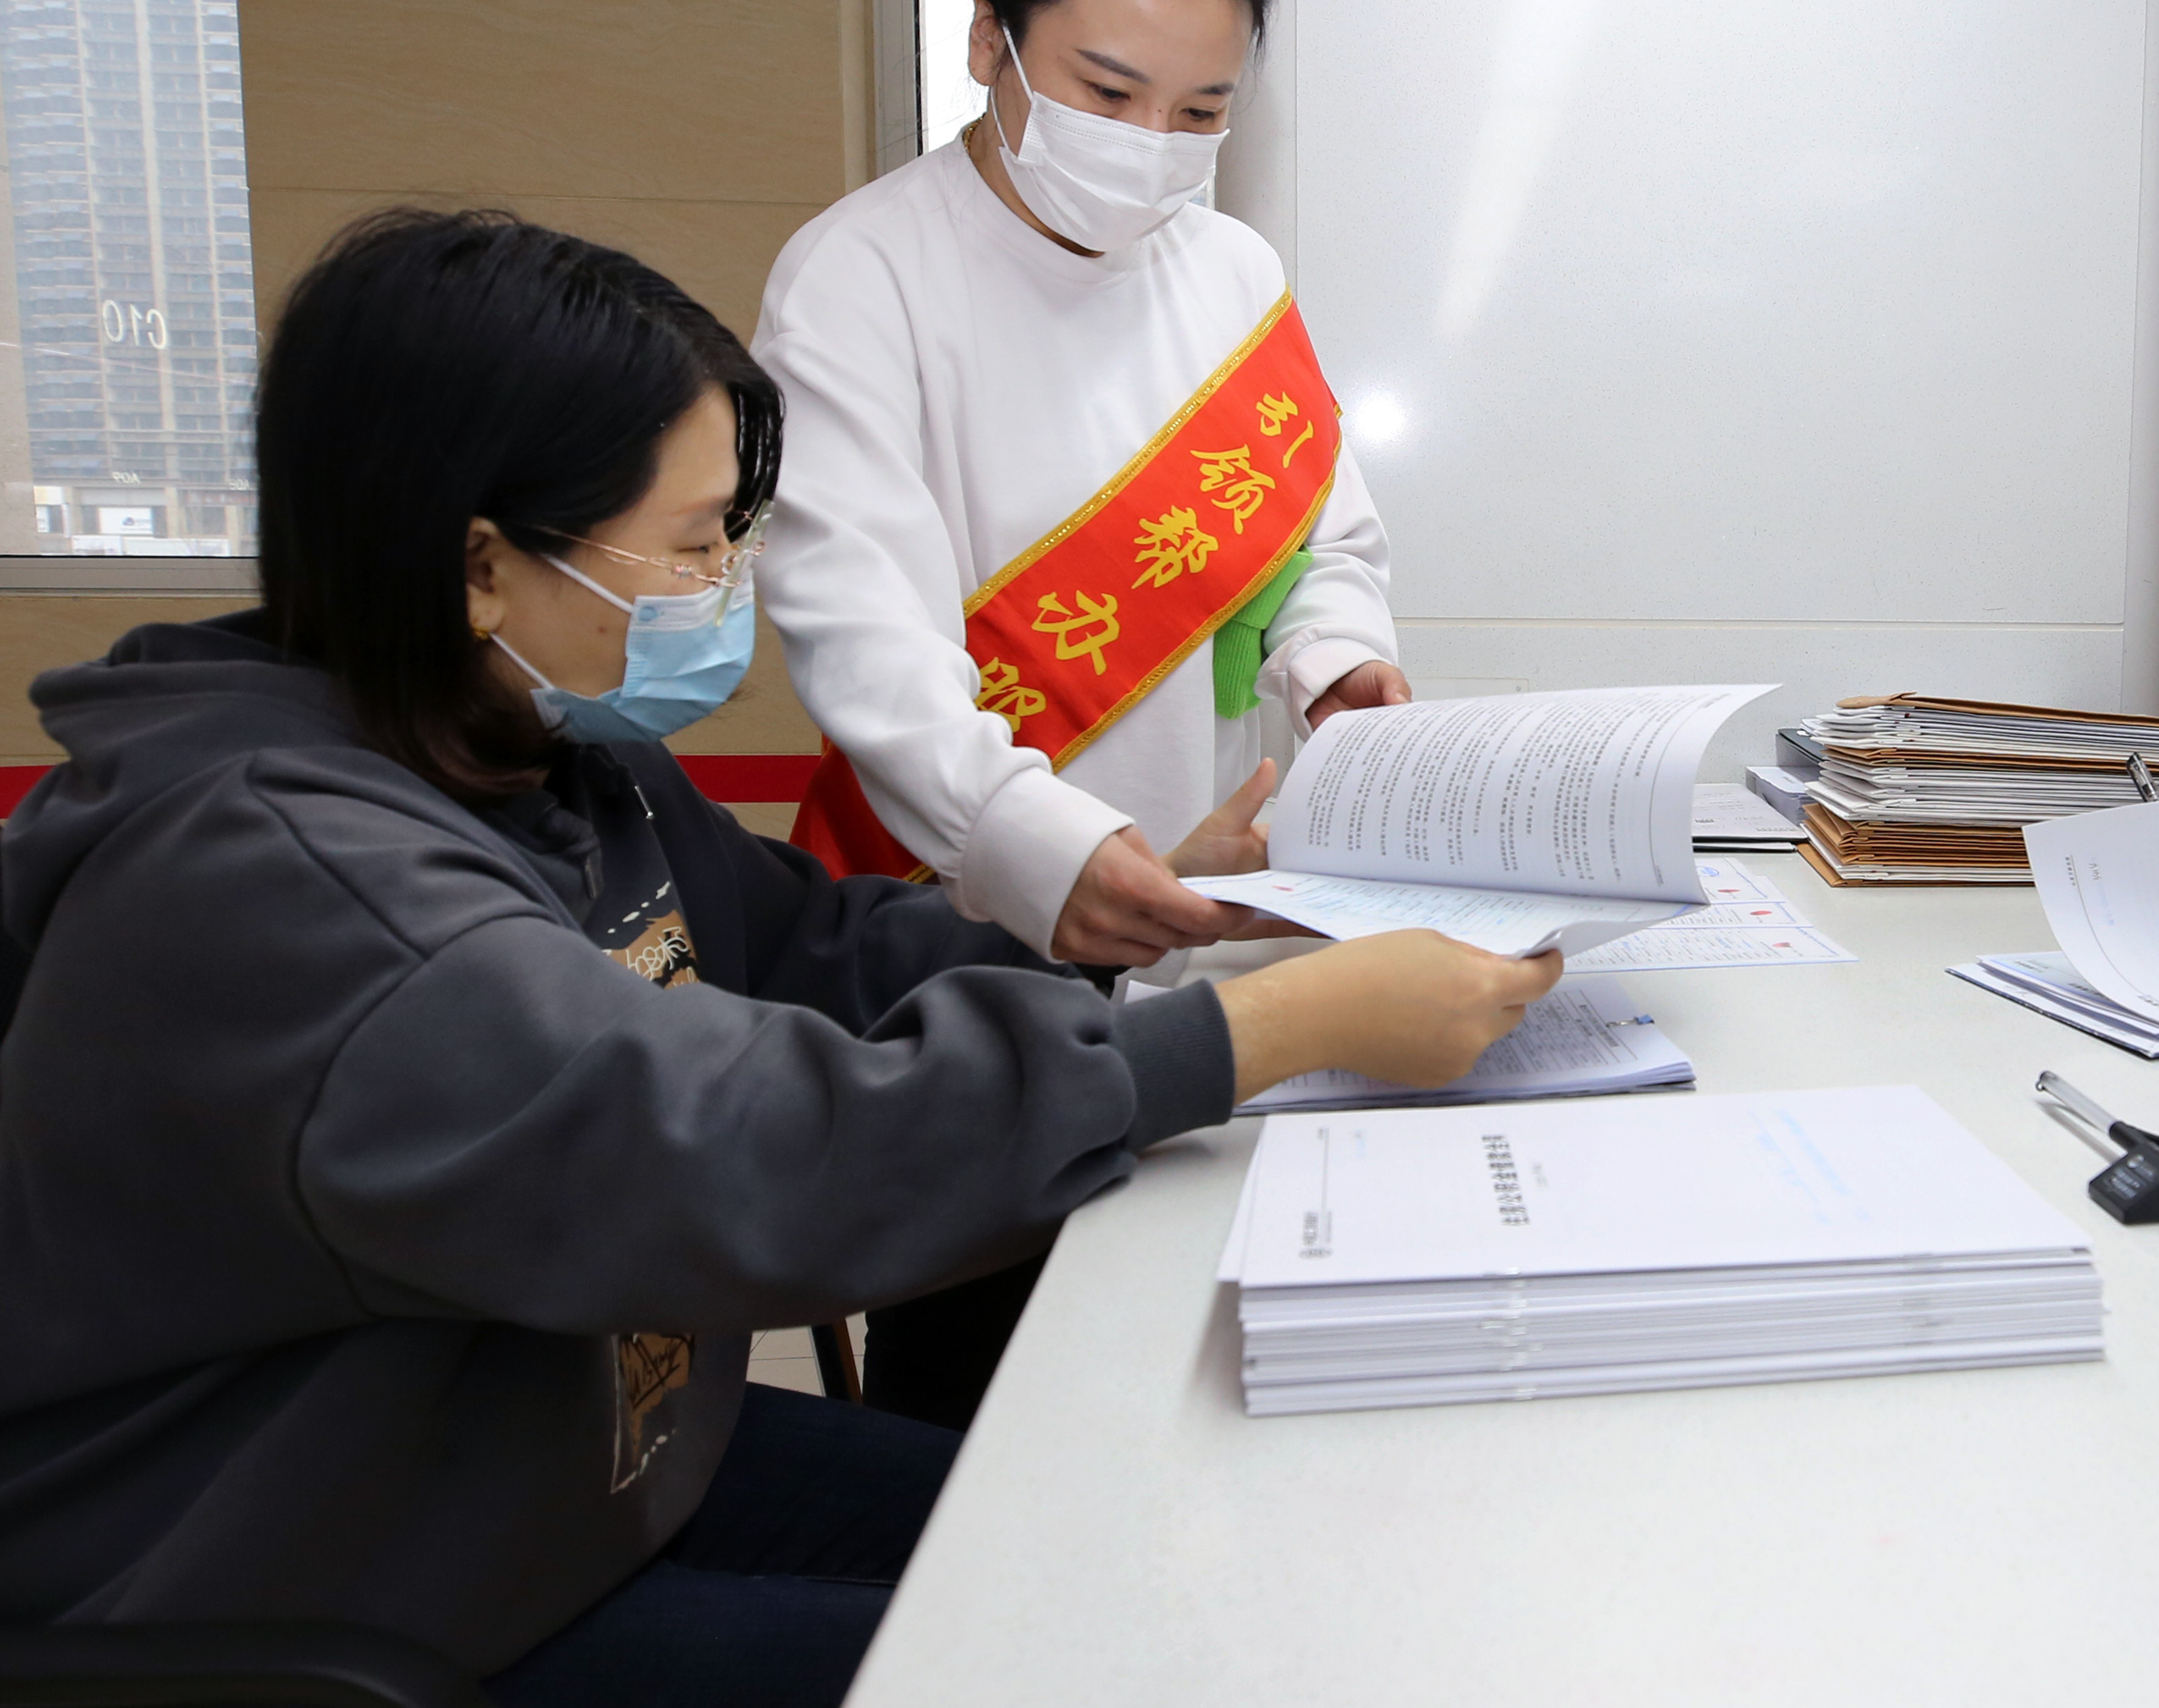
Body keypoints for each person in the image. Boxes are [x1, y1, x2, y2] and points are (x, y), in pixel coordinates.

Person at [0, 211, 1556, 1707]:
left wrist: (1140, 924)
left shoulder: (537, 757)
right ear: (481, 567)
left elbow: (814, 949)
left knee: (1126, 1554)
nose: (725, 587)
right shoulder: (290, 888)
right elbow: (750, 1145)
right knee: (1113, 1659)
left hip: (554, 1448)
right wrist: (1261, 1033)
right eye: (691, 546)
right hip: (351, 1574)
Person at [751, 0, 1411, 1421]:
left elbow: (1323, 540)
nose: (1152, 150)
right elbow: (870, 647)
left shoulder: (1233, 271)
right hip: (973, 930)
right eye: (1109, 91)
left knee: (1204, 1357)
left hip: (1220, 918)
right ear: (990, 34)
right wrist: (1047, 856)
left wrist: (1338, 665)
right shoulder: (861, 277)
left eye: (1202, 113)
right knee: (981, 1390)